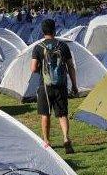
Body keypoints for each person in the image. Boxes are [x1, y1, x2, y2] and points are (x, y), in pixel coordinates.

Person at [31, 19, 78, 154]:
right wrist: (74, 85)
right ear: (54, 30)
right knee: (62, 114)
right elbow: (70, 66)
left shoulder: (38, 47)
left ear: (42, 31)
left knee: (45, 114)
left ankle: (46, 140)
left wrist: (40, 65)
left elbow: (33, 68)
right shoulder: (63, 46)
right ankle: (65, 138)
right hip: (61, 85)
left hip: (45, 86)